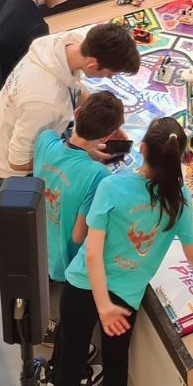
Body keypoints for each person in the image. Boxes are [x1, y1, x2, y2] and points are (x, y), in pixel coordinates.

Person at [53, 117, 193, 386]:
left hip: (82, 285)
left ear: (142, 148)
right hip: (124, 298)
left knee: (69, 367)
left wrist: (103, 306)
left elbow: (93, 254)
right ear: (179, 157)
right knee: (116, 367)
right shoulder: (180, 197)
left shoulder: (111, 186)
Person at [0, 23, 138, 202]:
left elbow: (75, 87)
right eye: (109, 74)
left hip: (20, 143)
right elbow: (18, 162)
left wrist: (108, 123)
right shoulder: (45, 102)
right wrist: (78, 155)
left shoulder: (66, 44)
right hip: (7, 179)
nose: (110, 77)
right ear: (92, 64)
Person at [33, 90, 125, 312]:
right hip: (62, 264)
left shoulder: (45, 139)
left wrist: (86, 154)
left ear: (77, 112)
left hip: (34, 245)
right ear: (106, 137)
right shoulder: (98, 175)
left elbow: (61, 156)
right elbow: (78, 235)